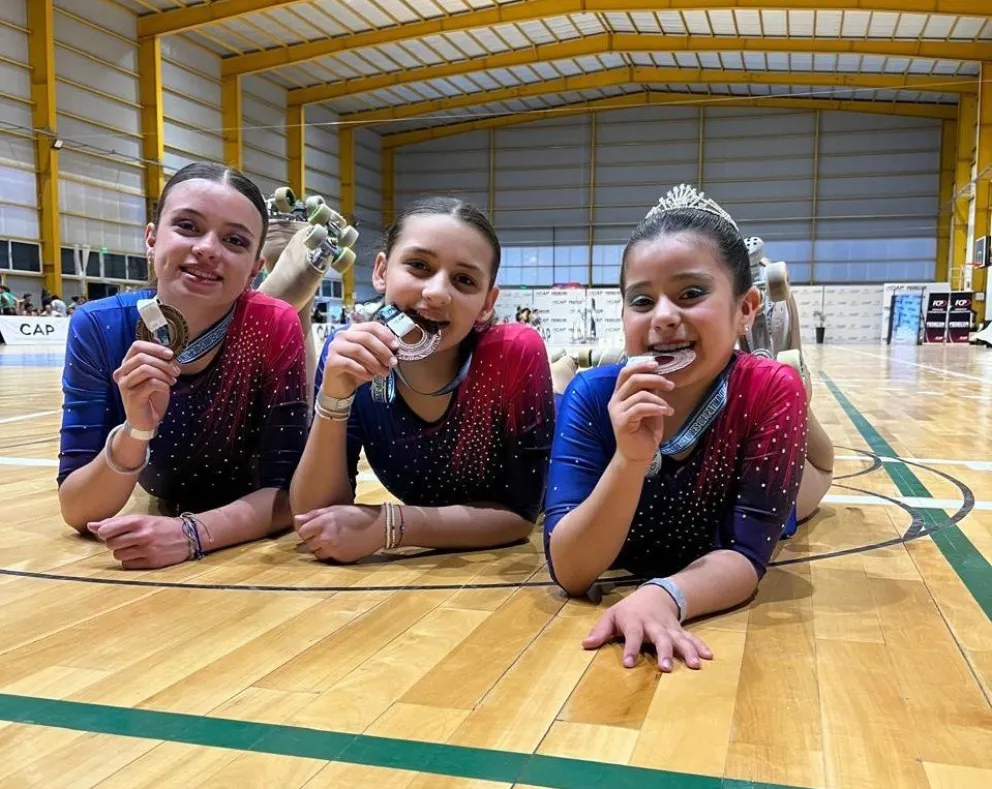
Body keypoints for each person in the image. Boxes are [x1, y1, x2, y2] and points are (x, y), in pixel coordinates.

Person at [543, 185, 809, 673]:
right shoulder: (593, 395)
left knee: (816, 473)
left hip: (773, 429)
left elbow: (745, 554)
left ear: (745, 308)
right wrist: (629, 459)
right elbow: (572, 572)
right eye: (642, 301)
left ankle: (793, 374)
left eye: (691, 293)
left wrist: (665, 595)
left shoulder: (771, 390)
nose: (664, 317)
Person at [57, 162, 309, 570]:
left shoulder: (273, 324)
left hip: (247, 509)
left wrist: (192, 534)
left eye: (234, 240)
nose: (208, 248)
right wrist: (136, 429)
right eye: (188, 226)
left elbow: (290, 494)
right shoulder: (100, 326)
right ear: (151, 238)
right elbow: (79, 511)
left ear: (255, 268)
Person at [290, 197, 555, 562]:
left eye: (464, 280)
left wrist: (391, 525)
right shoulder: (349, 354)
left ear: (487, 302)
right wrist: (334, 396)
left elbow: (520, 515)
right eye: (419, 266)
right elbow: (314, 519)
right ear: (382, 271)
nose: (437, 293)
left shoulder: (514, 351)